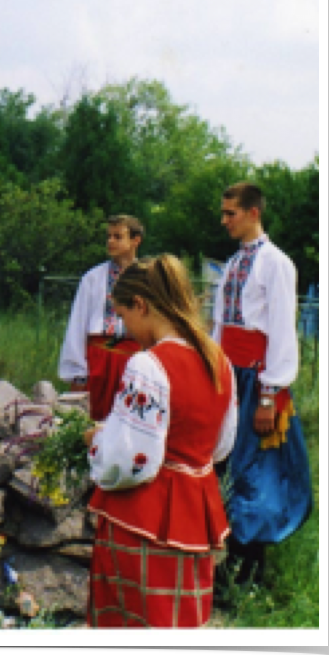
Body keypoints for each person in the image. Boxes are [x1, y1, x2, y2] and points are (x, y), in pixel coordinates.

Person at [84, 254, 237, 628]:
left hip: (142, 516)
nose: (126, 329)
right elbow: (221, 445)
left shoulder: (147, 365)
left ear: (141, 304)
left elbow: (132, 460)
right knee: (179, 620)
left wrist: (98, 442)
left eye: (125, 316)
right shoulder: (218, 360)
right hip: (194, 513)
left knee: (134, 621)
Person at [211, 182, 312, 587]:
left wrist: (269, 394)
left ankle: (249, 571)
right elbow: (221, 325)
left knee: (258, 470)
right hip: (230, 377)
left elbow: (281, 332)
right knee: (227, 463)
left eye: (231, 213)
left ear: (253, 213)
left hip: (258, 378)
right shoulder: (234, 263)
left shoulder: (276, 264)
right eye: (223, 213)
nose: (224, 221)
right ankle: (226, 556)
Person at [58, 214, 145, 420]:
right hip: (99, 356)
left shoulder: (147, 277)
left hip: (135, 356)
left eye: (117, 236)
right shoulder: (93, 278)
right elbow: (77, 324)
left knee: (131, 417)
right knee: (95, 416)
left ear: (135, 240)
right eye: (108, 236)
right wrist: (77, 369)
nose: (110, 242)